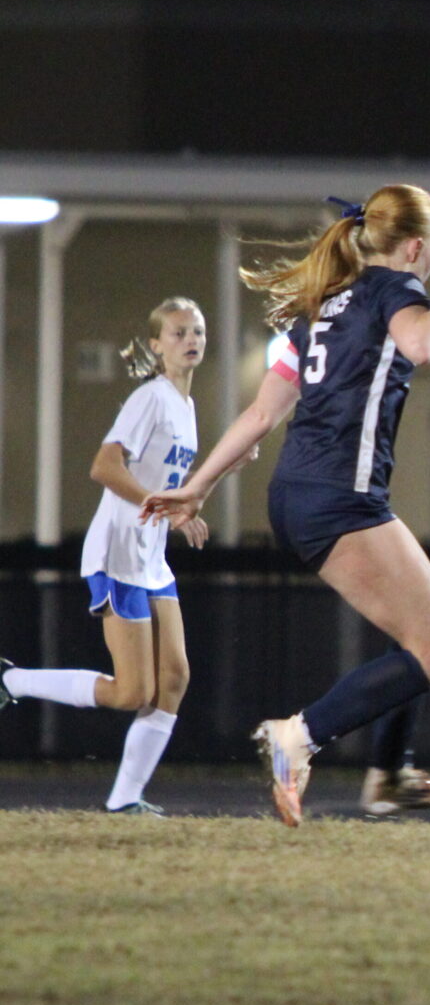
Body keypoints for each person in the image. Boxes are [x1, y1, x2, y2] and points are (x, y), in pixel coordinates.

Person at [141, 186, 430, 826]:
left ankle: (391, 774)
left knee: (416, 638)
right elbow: (422, 345)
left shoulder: (324, 307)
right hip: (341, 496)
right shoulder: (395, 291)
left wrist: (201, 484)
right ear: (416, 247)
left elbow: (261, 413)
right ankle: (297, 737)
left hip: (299, 495)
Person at [0, 298, 249, 815]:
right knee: (133, 691)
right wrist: (162, 505)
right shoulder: (151, 398)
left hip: (150, 556)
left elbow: (171, 490)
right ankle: (10, 680)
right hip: (116, 554)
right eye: (179, 332)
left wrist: (187, 500)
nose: (191, 339)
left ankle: (125, 798)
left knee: (174, 678)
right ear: (156, 345)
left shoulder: (185, 405)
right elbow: (103, 467)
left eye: (197, 331)